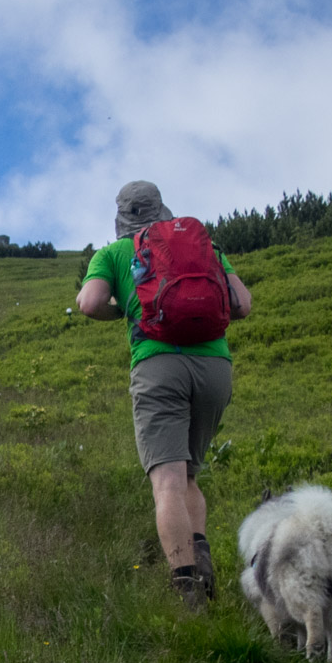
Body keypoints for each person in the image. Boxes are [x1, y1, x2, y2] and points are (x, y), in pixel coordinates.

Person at [77, 181, 253, 608]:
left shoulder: (115, 253)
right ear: (162, 210)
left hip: (159, 366)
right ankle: (201, 554)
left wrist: (121, 309)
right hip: (215, 367)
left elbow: (88, 303)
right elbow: (243, 304)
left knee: (167, 481)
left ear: (122, 216)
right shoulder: (202, 246)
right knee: (189, 472)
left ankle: (187, 592)